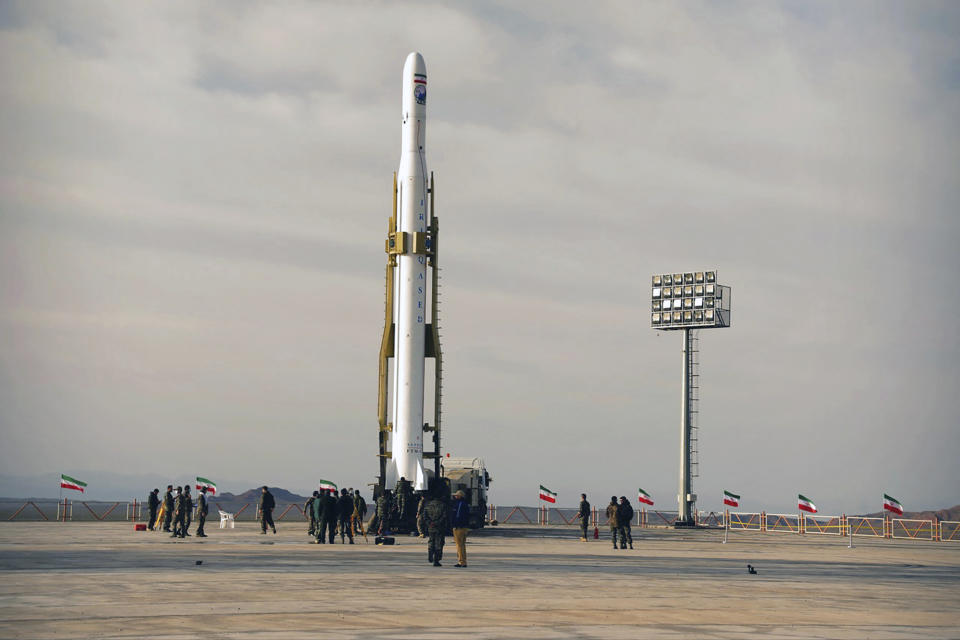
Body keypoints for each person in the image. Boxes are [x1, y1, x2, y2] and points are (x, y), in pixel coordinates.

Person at [423, 480, 448, 566]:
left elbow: (424, 516)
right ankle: (436, 560)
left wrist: (430, 523)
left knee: (431, 541)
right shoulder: (442, 505)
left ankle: (430, 555)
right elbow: (444, 516)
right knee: (439, 543)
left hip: (430, 527)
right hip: (439, 527)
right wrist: (437, 523)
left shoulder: (428, 505)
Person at [451, 489, 470, 568]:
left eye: (456, 495)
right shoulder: (465, 504)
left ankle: (461, 561)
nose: (455, 496)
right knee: (462, 545)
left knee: (459, 545)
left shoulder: (460, 504)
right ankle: (463, 561)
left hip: (459, 527)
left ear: (459, 496)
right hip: (464, 527)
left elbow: (458, 516)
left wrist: (455, 524)